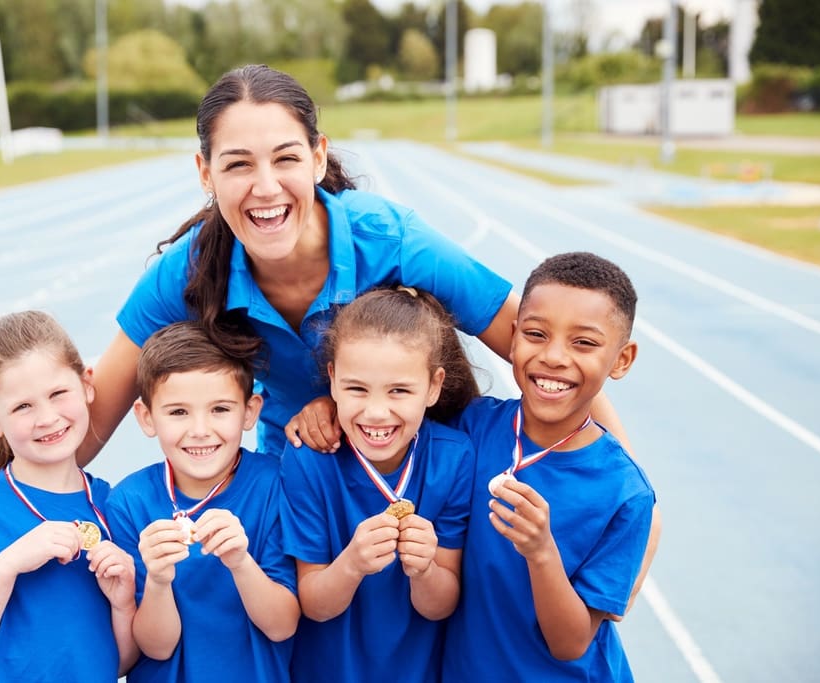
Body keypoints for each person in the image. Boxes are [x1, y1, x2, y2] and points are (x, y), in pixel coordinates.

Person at [79, 63, 518, 462]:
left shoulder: (391, 239)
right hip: (298, 470)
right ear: (206, 172)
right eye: (238, 165)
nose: (266, 187)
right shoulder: (189, 269)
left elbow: (539, 347)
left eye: (286, 158)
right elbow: (91, 425)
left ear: (318, 157)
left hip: (419, 467)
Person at [443, 252, 655, 682]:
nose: (554, 356)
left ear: (622, 360)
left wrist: (541, 552)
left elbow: (570, 643)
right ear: (515, 336)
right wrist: (323, 409)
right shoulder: (473, 426)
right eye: (537, 334)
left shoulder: (625, 494)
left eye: (584, 343)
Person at [0, 310, 139, 682]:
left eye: (58, 394)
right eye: (23, 406)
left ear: (87, 384)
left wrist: (123, 603)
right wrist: (7, 566)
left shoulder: (117, 507)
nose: (47, 417)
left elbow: (119, 664)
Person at [280, 286, 479, 683]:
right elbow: (313, 603)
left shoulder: (454, 459)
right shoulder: (308, 461)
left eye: (399, 391)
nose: (375, 412)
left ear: (434, 386)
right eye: (357, 389)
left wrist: (425, 569)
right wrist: (352, 564)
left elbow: (440, 605)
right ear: (333, 380)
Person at [105, 321, 298, 683]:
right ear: (147, 418)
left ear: (250, 411)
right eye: (178, 412)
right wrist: (159, 581)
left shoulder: (275, 484)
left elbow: (282, 625)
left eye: (220, 410)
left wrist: (241, 562)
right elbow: (156, 648)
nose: (199, 430)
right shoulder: (128, 504)